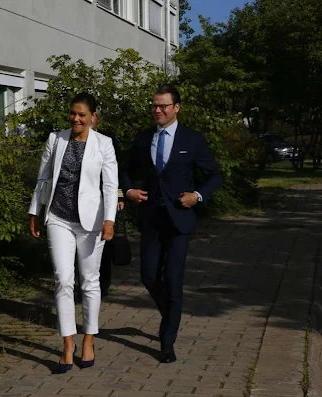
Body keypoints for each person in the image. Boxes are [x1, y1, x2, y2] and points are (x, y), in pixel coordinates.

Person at [123, 84, 222, 363]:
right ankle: (172, 313)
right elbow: (124, 170)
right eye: (154, 105)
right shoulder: (143, 139)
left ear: (176, 108)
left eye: (164, 106)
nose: (158, 110)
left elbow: (214, 175)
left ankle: (167, 341)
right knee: (149, 275)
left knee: (174, 280)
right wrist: (128, 191)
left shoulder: (192, 140)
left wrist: (198, 195)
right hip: (151, 217)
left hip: (180, 219)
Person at [28, 92, 118, 373]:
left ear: (93, 117)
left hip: (91, 222)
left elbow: (109, 185)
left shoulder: (104, 144)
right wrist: (34, 211)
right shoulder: (56, 140)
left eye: (82, 114)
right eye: (72, 113)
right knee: (63, 279)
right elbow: (43, 177)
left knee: (90, 281)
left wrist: (110, 219)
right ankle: (67, 343)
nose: (76, 119)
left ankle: (89, 338)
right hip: (58, 217)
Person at [90, 112, 125, 298]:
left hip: (106, 197)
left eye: (93, 115)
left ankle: (103, 283)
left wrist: (119, 196)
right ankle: (83, 285)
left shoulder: (107, 139)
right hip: (83, 201)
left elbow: (117, 169)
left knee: (105, 243)